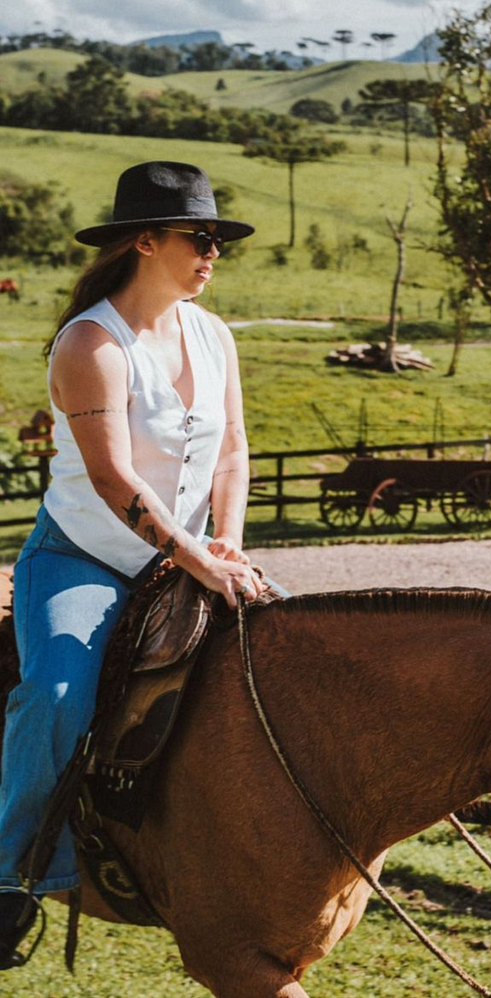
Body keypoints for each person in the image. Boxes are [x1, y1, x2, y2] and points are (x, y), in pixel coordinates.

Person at [0, 160, 271, 966]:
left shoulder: (213, 333)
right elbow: (114, 481)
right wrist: (197, 560)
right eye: (199, 237)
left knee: (304, 657)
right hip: (85, 556)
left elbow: (232, 450)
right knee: (53, 693)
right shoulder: (91, 343)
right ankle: (10, 875)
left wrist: (229, 542)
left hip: (192, 557)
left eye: (218, 238)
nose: (213, 251)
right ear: (145, 242)